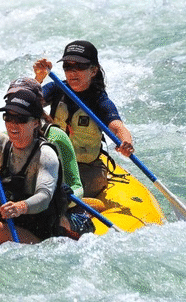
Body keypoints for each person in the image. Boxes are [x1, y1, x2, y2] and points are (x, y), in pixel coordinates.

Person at [0, 85, 68, 245]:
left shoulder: (46, 155)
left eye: (21, 119)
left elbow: (44, 196)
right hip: (7, 228)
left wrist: (20, 207)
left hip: (37, 237)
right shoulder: (0, 143)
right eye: (8, 117)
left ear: (36, 123)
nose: (12, 124)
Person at [34, 40, 135, 198]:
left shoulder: (99, 100)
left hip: (87, 168)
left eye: (80, 66)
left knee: (63, 196)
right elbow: (25, 101)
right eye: (67, 66)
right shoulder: (56, 88)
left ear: (93, 70)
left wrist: (126, 142)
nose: (72, 72)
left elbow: (117, 127)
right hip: (53, 162)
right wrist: (38, 78)